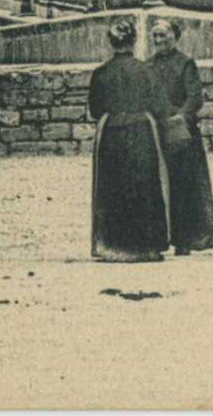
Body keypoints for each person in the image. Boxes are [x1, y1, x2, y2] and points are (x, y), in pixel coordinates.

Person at [85, 16, 173, 263]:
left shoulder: (101, 74)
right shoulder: (147, 71)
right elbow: (159, 104)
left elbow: (95, 109)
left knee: (113, 186)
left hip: (112, 132)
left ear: (111, 43)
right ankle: (146, 245)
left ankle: (114, 244)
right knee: (144, 184)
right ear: (134, 41)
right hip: (141, 132)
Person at [146, 16, 213, 255]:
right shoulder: (148, 66)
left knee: (184, 185)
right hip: (158, 130)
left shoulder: (186, 64)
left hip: (182, 133)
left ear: (174, 38)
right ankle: (159, 237)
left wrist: (180, 117)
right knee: (158, 184)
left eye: (163, 36)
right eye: (155, 36)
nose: (159, 41)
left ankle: (185, 239)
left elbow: (195, 97)